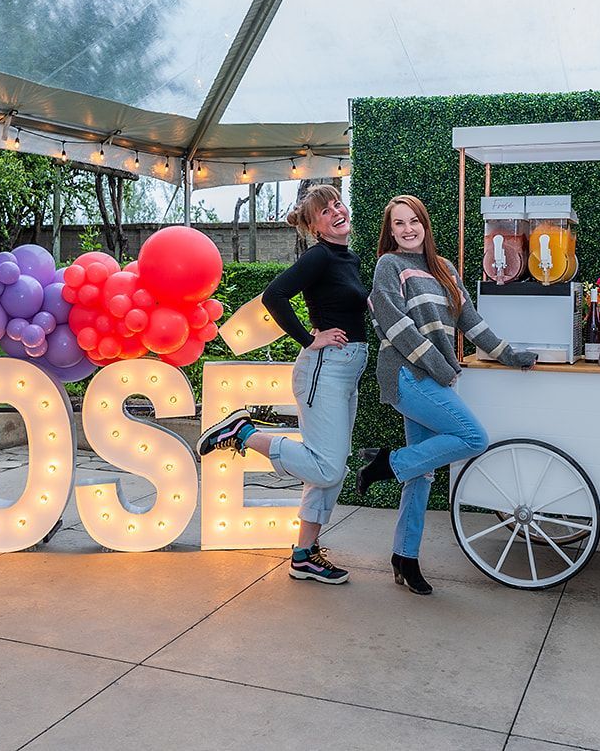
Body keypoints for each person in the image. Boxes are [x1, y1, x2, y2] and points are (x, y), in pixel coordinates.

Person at [356, 194, 537, 595]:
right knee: (474, 438)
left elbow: (471, 322)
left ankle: (405, 557)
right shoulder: (389, 266)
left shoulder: (444, 269)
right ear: (390, 232)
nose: (407, 229)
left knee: (421, 477)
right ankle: (387, 463)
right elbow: (395, 326)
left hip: (430, 375)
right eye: (398, 224)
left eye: (413, 221)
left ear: (425, 224)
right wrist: (441, 367)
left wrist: (512, 355)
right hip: (406, 374)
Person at [197, 184, 367, 585]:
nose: (336, 212)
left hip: (346, 370)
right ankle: (244, 432)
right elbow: (274, 295)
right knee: (327, 467)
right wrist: (311, 339)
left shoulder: (348, 257)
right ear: (315, 228)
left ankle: (305, 554)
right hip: (324, 369)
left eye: (337, 204)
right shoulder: (319, 257)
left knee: (329, 470)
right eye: (325, 212)